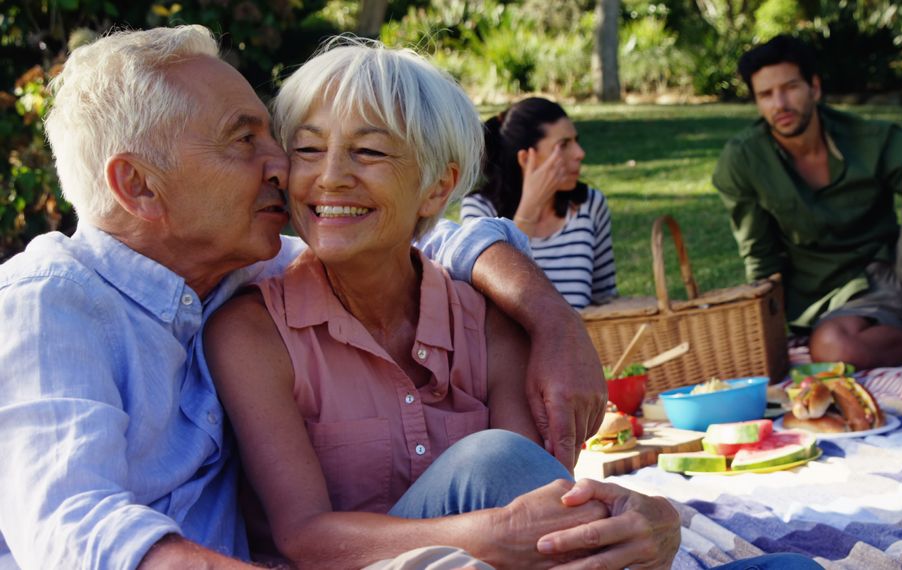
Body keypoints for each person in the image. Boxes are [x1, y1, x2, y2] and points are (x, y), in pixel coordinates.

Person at [0, 25, 608, 568]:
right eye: (245, 141)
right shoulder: (46, 306)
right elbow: (75, 532)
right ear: (139, 186)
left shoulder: (248, 266)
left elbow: (422, 234)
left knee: (503, 476)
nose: (285, 167)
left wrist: (555, 323)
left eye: (276, 138)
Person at [204, 39, 683, 569]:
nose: (331, 176)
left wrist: (651, 520)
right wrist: (489, 535)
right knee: (490, 461)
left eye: (368, 151)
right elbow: (304, 538)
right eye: (309, 149)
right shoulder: (252, 332)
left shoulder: (487, 321)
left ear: (437, 188)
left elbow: (544, 510)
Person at [712, 34, 902, 369]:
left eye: (790, 87)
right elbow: (760, 257)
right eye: (766, 95)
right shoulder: (744, 160)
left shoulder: (868, 138)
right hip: (832, 297)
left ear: (815, 88)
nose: (780, 104)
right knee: (832, 347)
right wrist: (766, 329)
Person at [463, 97, 618, 309]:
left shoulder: (588, 205)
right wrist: (530, 207)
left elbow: (605, 300)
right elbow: (486, 306)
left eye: (576, 141)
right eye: (563, 145)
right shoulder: (480, 210)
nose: (579, 154)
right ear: (526, 158)